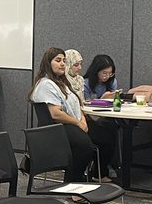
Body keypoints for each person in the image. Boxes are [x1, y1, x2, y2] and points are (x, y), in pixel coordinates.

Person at [30, 47, 114, 184]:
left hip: (73, 121)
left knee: (106, 136)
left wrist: (82, 119)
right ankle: (73, 184)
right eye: (58, 60)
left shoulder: (63, 82)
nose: (62, 63)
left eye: (64, 60)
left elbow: (77, 103)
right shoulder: (46, 84)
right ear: (48, 63)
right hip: (57, 127)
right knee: (84, 146)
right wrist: (77, 122)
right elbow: (55, 113)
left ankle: (97, 173)